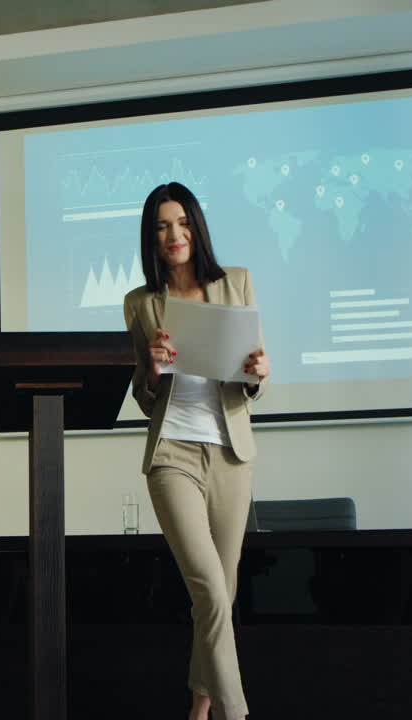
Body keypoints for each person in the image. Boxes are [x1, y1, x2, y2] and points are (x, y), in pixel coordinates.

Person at [122, 182, 270, 720]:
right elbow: (143, 393)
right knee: (207, 588)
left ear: (196, 226)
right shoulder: (140, 303)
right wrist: (156, 369)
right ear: (152, 236)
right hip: (172, 455)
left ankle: (198, 709)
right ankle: (236, 712)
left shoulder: (237, 283)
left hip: (230, 453)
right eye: (161, 226)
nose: (173, 235)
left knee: (221, 595)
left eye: (181, 223)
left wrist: (259, 375)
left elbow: (251, 375)